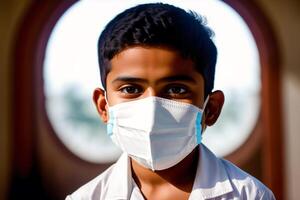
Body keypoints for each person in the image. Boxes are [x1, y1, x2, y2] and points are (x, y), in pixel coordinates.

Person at [66, 3, 275, 200]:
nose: (152, 110)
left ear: (211, 109)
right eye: (131, 89)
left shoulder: (250, 195)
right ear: (103, 106)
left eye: (176, 89)